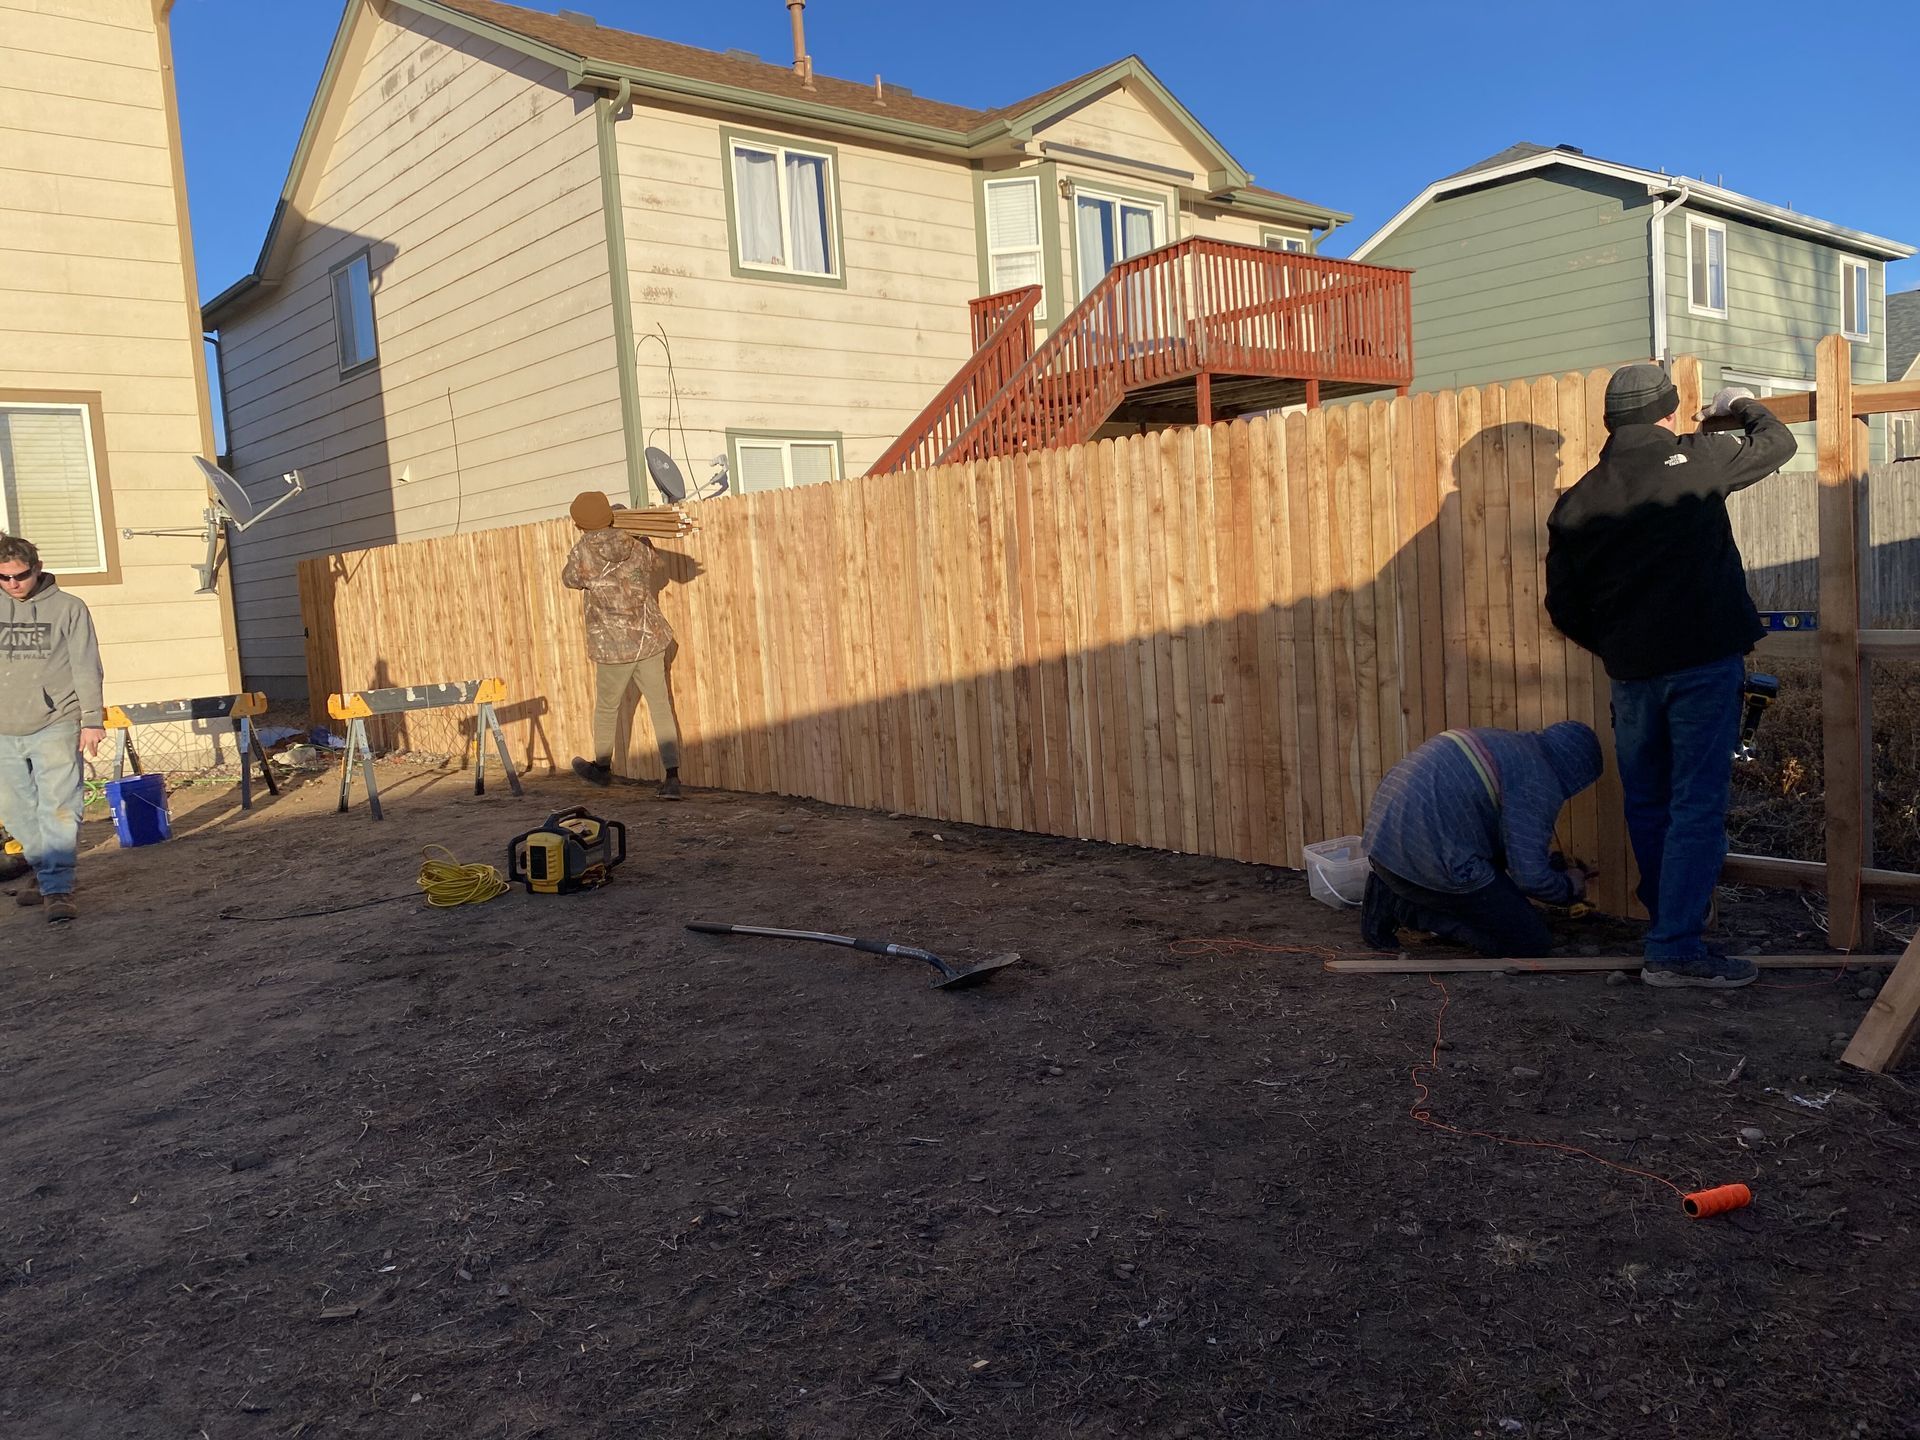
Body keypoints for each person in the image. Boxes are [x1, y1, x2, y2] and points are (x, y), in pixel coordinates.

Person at [1545, 364, 1796, 989]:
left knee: (1651, 801)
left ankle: (1668, 928)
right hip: (1703, 664)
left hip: (1632, 675)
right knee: (1696, 804)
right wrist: (1738, 401)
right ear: (1665, 414)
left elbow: (1563, 608)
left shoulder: (1576, 501)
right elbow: (1779, 443)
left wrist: (1617, 647)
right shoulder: (1698, 459)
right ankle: (1677, 948)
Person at [1362, 722, 1603, 959]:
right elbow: (1530, 878)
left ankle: (1391, 889)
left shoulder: (1507, 744)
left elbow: (1496, 835)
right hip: (1425, 855)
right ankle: (1408, 909)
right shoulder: (1540, 779)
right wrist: (1569, 886)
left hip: (1383, 843)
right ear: (1577, 770)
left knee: (1492, 880)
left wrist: (1551, 864)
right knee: (1529, 942)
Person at [0, 535, 105, 923]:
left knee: (59, 806)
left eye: (20, 576)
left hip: (56, 721)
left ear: (37, 569)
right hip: (3, 728)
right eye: (3, 578)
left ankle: (58, 890)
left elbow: (86, 665)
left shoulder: (69, 609)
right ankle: (46, 876)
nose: (13, 584)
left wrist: (92, 719)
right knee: (14, 810)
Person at [563, 494, 682, 799]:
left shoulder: (583, 551)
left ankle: (602, 769)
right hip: (648, 637)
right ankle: (672, 778)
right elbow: (658, 568)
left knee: (606, 708)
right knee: (660, 706)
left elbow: (569, 579)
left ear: (581, 523)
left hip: (613, 645)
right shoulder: (637, 541)